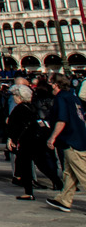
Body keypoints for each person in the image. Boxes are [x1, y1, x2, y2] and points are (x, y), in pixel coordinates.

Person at [45, 73, 86, 212]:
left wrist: (52, 137)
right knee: (69, 173)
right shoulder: (73, 97)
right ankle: (64, 200)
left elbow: (62, 120)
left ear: (55, 84)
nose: (49, 85)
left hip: (71, 141)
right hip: (79, 138)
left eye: (50, 82)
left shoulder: (60, 98)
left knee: (83, 174)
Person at [7, 83, 42, 200]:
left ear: (19, 97)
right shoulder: (31, 107)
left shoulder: (18, 109)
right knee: (42, 164)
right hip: (35, 138)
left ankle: (28, 191)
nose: (13, 98)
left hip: (25, 141)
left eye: (15, 96)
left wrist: (11, 139)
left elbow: (13, 126)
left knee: (25, 166)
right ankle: (58, 183)